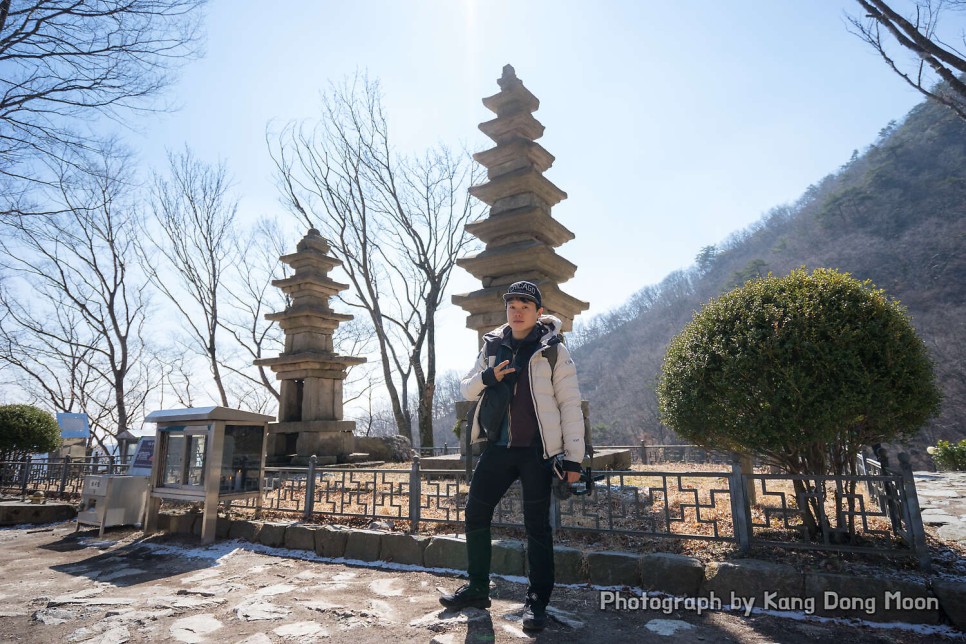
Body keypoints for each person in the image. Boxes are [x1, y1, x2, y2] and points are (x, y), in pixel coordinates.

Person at [439, 280, 584, 632]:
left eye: (525, 305)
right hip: (498, 448)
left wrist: (574, 459)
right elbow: (466, 387)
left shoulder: (553, 350)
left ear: (538, 312)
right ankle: (476, 589)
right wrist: (488, 376)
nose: (517, 311)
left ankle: (537, 602)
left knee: (537, 526)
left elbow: (569, 404)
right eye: (512, 305)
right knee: (475, 511)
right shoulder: (493, 345)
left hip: (538, 450)